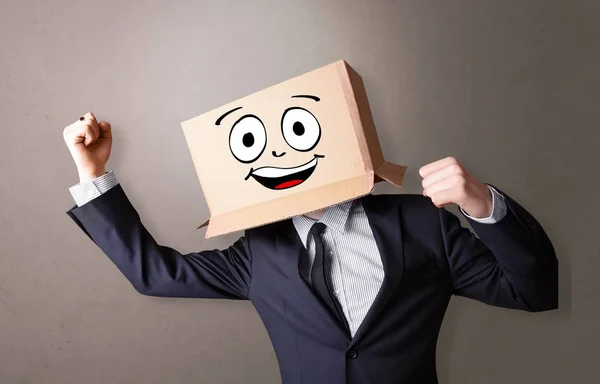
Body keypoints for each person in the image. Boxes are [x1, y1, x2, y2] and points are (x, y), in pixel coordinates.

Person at [63, 112, 558, 384]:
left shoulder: (423, 223)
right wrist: (94, 175)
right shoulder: (259, 252)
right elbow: (155, 275)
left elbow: (532, 290)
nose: (282, 154)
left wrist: (482, 204)